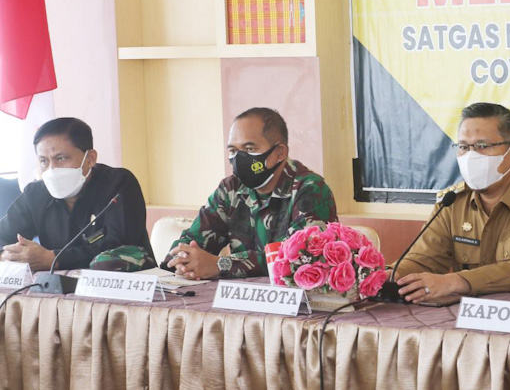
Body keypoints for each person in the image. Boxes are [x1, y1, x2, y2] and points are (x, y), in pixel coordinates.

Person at [394, 102, 510, 304]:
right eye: (463, 147)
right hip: (474, 315)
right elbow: (424, 260)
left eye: (482, 146)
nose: (471, 156)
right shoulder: (452, 202)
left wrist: (454, 281)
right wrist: (387, 275)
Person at [162, 107, 337, 279]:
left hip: (296, 302)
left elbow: (299, 259)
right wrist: (184, 260)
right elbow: (191, 241)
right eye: (233, 151)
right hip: (240, 301)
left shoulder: (310, 190)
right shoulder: (231, 189)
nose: (239, 158)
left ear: (280, 153)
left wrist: (220, 265)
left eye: (250, 149)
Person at [0, 117, 155, 271]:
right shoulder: (35, 193)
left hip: (127, 284)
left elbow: (120, 245)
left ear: (90, 158)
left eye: (60, 158)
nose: (51, 169)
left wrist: (55, 259)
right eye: (43, 161)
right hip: (58, 290)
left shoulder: (119, 183)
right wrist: (8, 256)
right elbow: (3, 235)